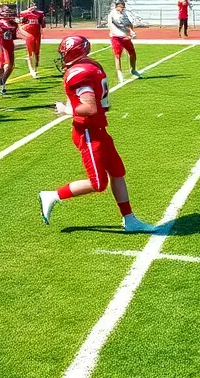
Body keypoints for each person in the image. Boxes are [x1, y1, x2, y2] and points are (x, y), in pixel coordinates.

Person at [38, 36, 154, 234]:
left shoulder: (79, 72)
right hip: (89, 133)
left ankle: (130, 219)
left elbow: (90, 107)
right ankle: (53, 195)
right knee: (99, 183)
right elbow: (95, 106)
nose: (62, 56)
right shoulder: (91, 66)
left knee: (117, 172)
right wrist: (71, 110)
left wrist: (66, 110)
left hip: (94, 130)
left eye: (64, 52)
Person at [106, 0, 141, 85]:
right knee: (117, 55)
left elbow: (129, 24)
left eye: (123, 7)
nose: (121, 9)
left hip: (125, 37)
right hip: (116, 37)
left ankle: (133, 69)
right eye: (120, 7)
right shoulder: (112, 14)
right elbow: (110, 26)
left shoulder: (125, 14)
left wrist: (132, 32)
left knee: (132, 53)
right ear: (116, 7)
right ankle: (119, 73)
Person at [19, 4, 45, 78]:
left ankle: (35, 68)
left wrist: (43, 20)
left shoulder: (40, 14)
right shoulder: (25, 13)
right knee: (31, 52)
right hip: (29, 35)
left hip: (37, 34)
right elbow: (21, 23)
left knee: (37, 52)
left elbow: (42, 25)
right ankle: (32, 69)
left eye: (34, 5)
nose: (33, 7)